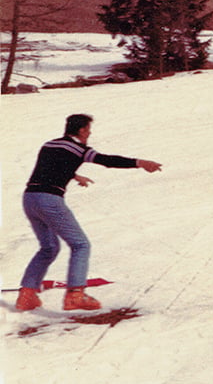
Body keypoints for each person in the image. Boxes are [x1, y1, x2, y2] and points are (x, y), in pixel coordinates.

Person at [15, 114, 162, 312]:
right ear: (82, 130)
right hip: (50, 199)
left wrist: (74, 175)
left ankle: (27, 295)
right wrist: (140, 162)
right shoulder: (80, 149)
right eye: (88, 129)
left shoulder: (50, 144)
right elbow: (107, 160)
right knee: (80, 244)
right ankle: (75, 295)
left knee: (48, 247)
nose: (90, 132)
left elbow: (50, 166)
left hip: (30, 198)